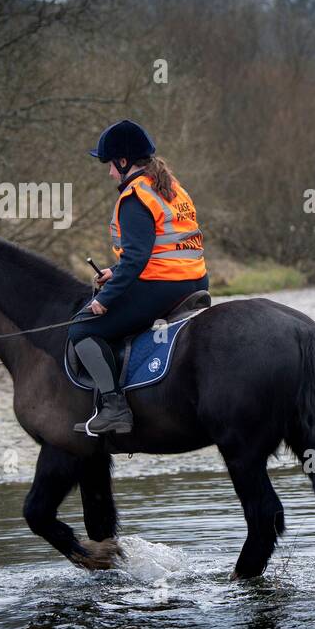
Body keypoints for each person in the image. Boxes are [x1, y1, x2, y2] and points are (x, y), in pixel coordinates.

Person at [68, 119, 209, 435]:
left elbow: (136, 259)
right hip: (195, 282)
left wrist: (105, 299)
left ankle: (114, 408)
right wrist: (113, 271)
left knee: (80, 329)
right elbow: (161, 247)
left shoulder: (135, 197)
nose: (109, 174)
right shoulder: (173, 188)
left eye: (110, 166)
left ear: (123, 161)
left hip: (162, 287)